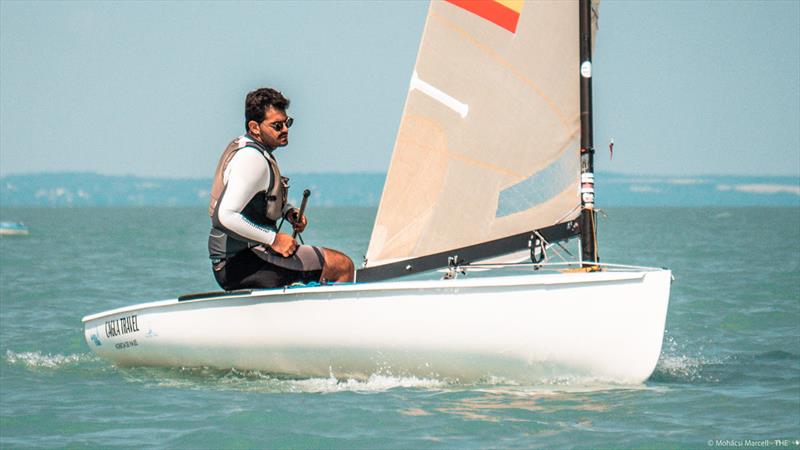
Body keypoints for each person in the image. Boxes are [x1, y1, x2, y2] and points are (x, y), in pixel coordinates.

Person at [207, 87, 354, 290]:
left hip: (236, 262)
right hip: (242, 263)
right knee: (342, 266)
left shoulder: (250, 149)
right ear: (255, 127)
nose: (285, 129)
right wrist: (274, 239)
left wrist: (287, 212)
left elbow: (257, 199)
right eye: (277, 125)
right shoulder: (251, 159)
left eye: (287, 123)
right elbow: (224, 216)